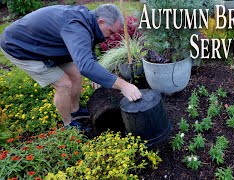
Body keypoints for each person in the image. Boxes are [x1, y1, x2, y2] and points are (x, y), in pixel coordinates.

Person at [0, 4, 142, 129]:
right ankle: (68, 124)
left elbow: (86, 50)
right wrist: (124, 85)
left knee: (75, 73)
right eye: (110, 32)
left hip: (47, 45)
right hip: (21, 47)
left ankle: (75, 111)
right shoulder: (76, 27)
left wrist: (96, 72)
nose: (110, 37)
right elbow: (85, 65)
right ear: (101, 21)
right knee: (64, 84)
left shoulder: (87, 19)